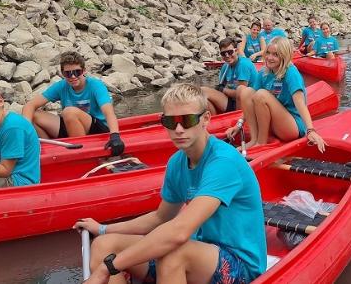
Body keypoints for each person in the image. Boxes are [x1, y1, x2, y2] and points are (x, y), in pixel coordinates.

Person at [75, 83, 266, 284]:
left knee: (173, 254)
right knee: (103, 246)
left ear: (206, 119)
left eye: (188, 120)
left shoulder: (223, 162)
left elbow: (179, 231)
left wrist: (110, 267)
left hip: (241, 266)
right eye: (170, 122)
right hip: (198, 251)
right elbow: (161, 217)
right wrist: (104, 229)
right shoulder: (177, 162)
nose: (179, 129)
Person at [230, 37, 327, 152]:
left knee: (261, 94)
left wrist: (311, 130)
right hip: (274, 121)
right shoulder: (264, 72)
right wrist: (239, 124)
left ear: (284, 56)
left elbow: (300, 103)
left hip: (292, 126)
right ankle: (254, 139)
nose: (269, 58)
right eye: (268, 53)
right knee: (245, 91)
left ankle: (261, 143)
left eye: (275, 54)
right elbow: (250, 99)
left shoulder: (291, 72)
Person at [22, 51, 124, 156]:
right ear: (63, 74)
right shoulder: (61, 86)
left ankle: (80, 153)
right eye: (68, 73)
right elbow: (30, 105)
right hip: (71, 123)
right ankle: (48, 151)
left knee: (69, 112)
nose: (73, 77)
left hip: (98, 129)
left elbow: (108, 112)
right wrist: (26, 131)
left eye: (77, 72)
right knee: (34, 115)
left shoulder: (96, 86)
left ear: (84, 71)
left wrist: (115, 135)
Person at [201, 38, 260, 115]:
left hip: (246, 103)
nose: (227, 56)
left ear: (236, 51)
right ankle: (214, 120)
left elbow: (241, 94)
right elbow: (221, 86)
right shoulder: (225, 66)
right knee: (205, 98)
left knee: (203, 90)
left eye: (230, 52)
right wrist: (221, 89)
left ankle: (234, 117)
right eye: (223, 53)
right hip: (233, 101)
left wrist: (223, 90)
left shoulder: (243, 65)